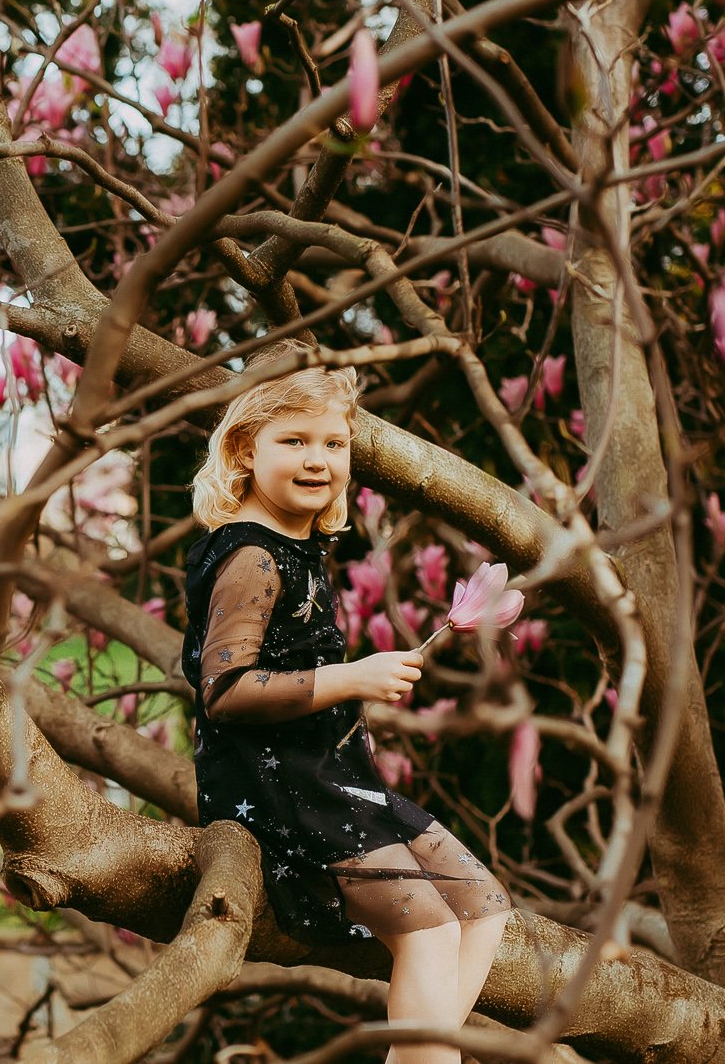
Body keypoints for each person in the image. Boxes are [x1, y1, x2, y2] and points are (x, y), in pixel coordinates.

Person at [182, 358, 511, 1064]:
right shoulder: (252, 556)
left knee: (484, 905)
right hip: (278, 789)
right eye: (294, 440)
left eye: (333, 443)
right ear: (245, 451)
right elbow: (226, 691)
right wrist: (351, 676)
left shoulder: (301, 547)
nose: (317, 459)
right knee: (428, 931)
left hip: (335, 777)